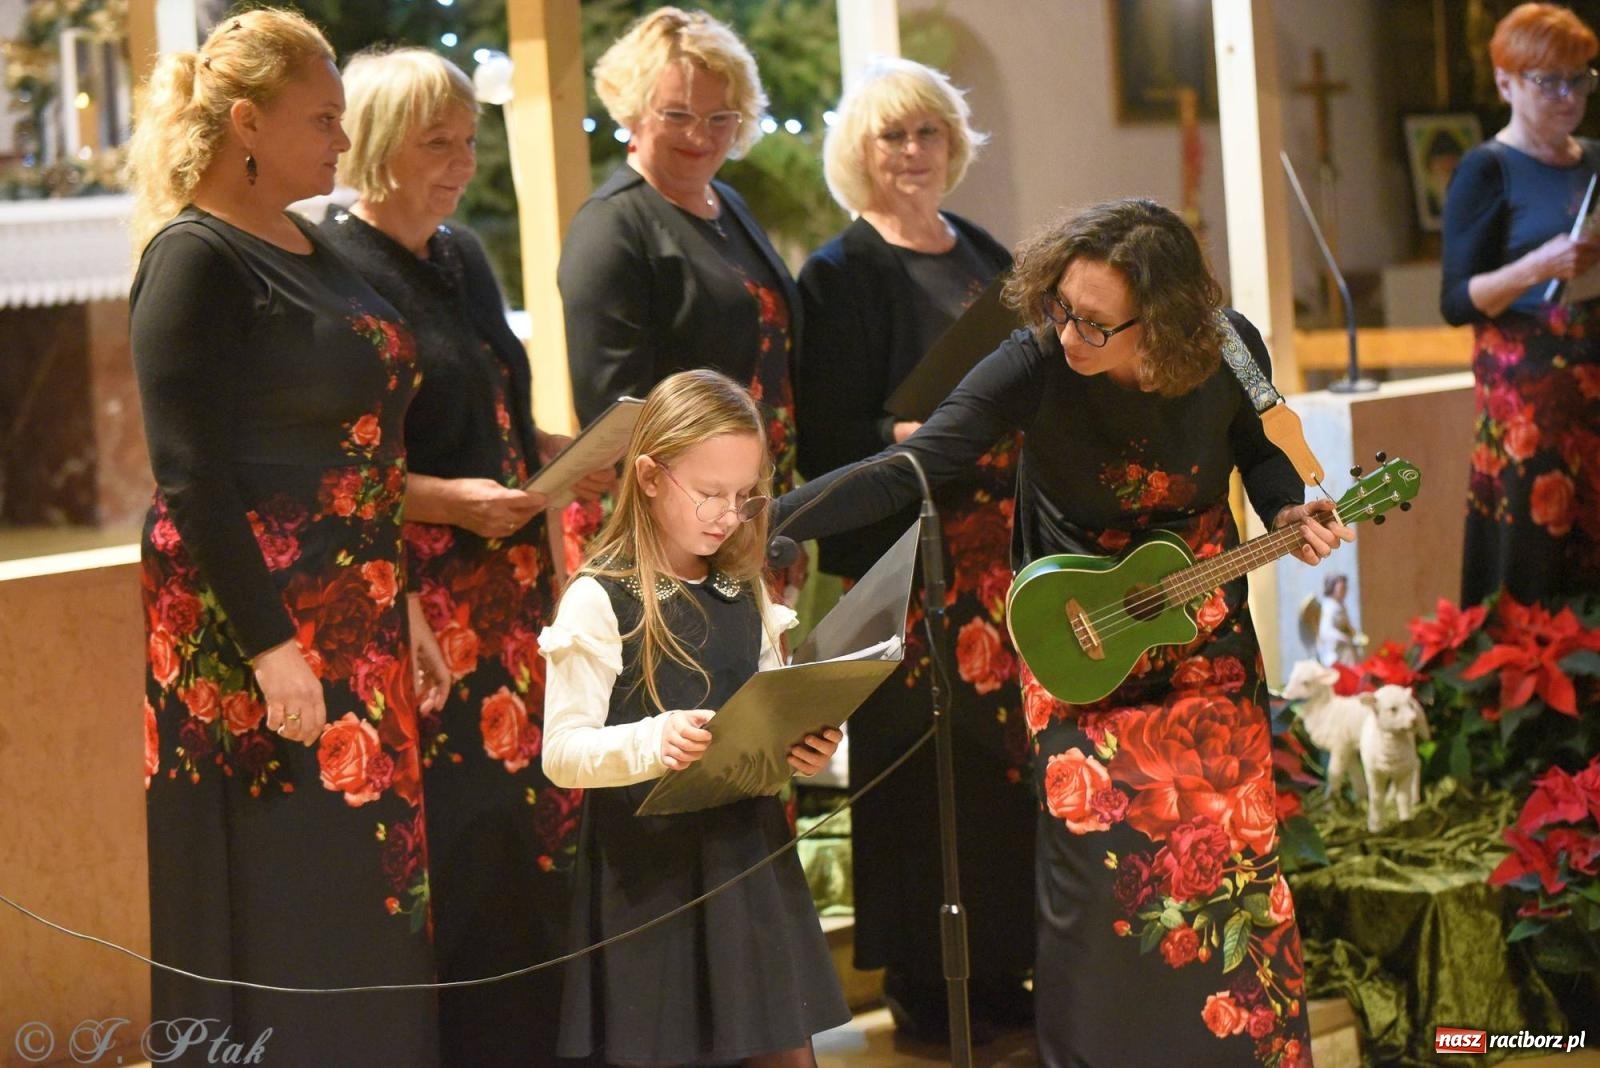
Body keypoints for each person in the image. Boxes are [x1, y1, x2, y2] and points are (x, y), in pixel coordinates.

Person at [777, 198, 1352, 1067]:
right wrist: (772, 521)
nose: (1069, 333)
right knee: (1100, 891)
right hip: (1079, 642)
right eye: (1062, 308)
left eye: (1094, 323)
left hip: (1204, 646)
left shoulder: (1229, 345)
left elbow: (1260, 452)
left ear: (1159, 324)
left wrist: (1285, 506)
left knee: (1231, 876)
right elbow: (918, 465)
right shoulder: (1038, 359)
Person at [126, 10, 449, 1064]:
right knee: (286, 899)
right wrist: (270, 647)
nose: (341, 143)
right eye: (324, 120)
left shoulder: (315, 245)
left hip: (353, 621)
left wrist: (400, 601)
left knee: (367, 895)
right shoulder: (194, 256)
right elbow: (189, 478)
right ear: (248, 124)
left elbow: (362, 463)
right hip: (257, 637)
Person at [319, 47, 614, 1067]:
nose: (459, 162)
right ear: (373, 145)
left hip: (511, 581)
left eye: (467, 141)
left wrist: (562, 481)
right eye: (435, 143)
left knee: (538, 834)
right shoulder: (336, 269)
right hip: (422, 594)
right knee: (462, 847)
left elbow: (501, 404)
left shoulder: (462, 256)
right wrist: (450, 499)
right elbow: (324, 473)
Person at [794, 57, 1033, 1041]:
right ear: (858, 150)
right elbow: (827, 438)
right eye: (891, 136)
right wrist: (927, 439)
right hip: (909, 562)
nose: (911, 153)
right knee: (921, 773)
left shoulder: (981, 249)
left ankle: (1008, 967)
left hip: (998, 562)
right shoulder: (838, 274)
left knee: (1001, 773)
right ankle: (929, 994)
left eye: (927, 133)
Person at [538, 369, 850, 1067]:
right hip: (652, 881)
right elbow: (562, 751)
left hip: (748, 860)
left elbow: (770, 707)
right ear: (648, 477)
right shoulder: (600, 599)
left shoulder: (747, 591)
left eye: (744, 498)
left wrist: (801, 745)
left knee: (785, 1055)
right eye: (709, 494)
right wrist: (654, 740)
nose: (727, 515)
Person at [557, 7, 804, 592]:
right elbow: (614, 411)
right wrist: (715, 512)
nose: (702, 136)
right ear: (634, 110)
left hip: (743, 512)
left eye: (721, 117)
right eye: (678, 115)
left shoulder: (728, 203)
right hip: (673, 534)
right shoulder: (612, 226)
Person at [1441, 1, 1600, 606]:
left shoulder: (1595, 160)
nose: (1568, 96)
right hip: (1528, 404)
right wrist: (1538, 267)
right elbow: (1457, 300)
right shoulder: (1486, 169)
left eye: (1580, 79)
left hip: (1594, 377)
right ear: (1506, 82)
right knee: (1536, 554)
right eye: (1549, 81)